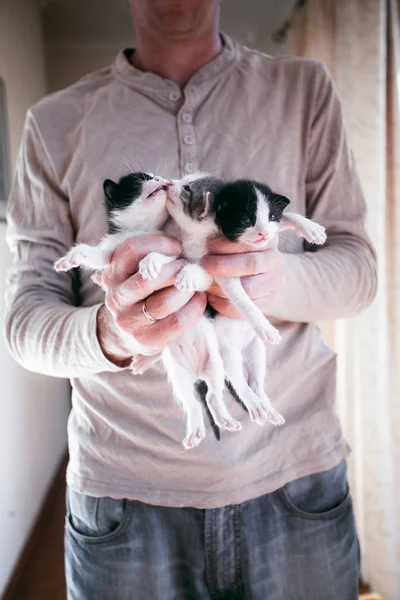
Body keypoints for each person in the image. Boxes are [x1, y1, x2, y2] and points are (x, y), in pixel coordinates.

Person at [4, 1, 377, 598]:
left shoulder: (304, 89)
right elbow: (24, 323)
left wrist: (266, 282)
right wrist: (114, 332)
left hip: (297, 479)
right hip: (123, 502)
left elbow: (359, 270)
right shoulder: (53, 123)